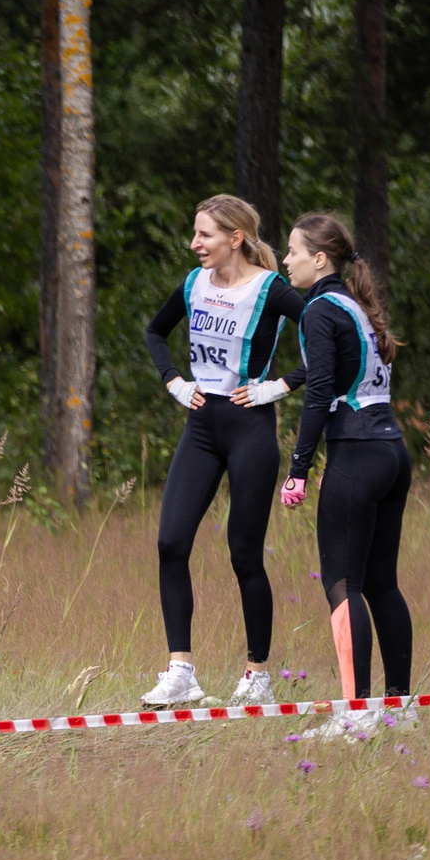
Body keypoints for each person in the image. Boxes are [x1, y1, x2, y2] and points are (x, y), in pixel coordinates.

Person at [138, 194, 306, 710]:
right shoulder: (193, 285)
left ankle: (257, 675)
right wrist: (173, 382)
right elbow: (154, 332)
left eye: (204, 235)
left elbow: (330, 343)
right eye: (195, 234)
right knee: (170, 543)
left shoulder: (270, 289)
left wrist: (276, 387)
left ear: (235, 238)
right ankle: (181, 671)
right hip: (201, 424)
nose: (194, 244)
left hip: (250, 428)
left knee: (243, 554)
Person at [279, 212, 411, 715]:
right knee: (381, 584)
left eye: (292, 251)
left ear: (319, 258)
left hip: (357, 456)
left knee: (343, 585)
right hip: (392, 452)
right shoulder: (352, 303)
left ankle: (357, 716)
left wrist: (297, 469)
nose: (286, 260)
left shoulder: (319, 310)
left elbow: (317, 395)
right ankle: (399, 709)